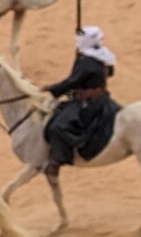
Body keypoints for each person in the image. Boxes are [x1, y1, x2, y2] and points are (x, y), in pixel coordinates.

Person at [42, 25, 119, 168]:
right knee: (59, 107)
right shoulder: (103, 56)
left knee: (58, 127)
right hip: (96, 96)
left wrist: (52, 89)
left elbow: (72, 81)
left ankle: (60, 158)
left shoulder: (87, 61)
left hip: (88, 100)